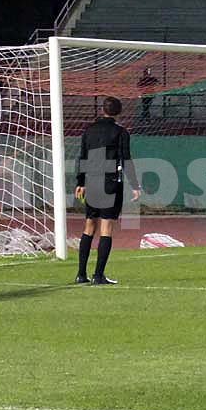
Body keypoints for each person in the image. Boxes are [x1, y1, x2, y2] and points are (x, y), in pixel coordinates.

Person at [74, 96, 141, 285]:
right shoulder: (120, 132)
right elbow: (126, 159)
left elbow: (82, 157)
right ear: (119, 112)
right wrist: (135, 185)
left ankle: (81, 274)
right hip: (110, 182)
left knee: (89, 226)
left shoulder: (89, 131)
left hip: (91, 181)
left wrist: (80, 182)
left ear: (102, 110)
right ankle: (98, 275)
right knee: (106, 227)